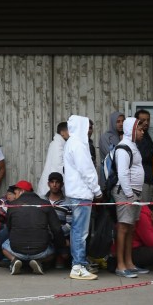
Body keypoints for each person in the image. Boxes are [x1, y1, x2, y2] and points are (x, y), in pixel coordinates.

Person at [63, 115, 103, 280]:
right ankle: (78, 266)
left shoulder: (72, 143)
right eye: (87, 126)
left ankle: (80, 264)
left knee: (77, 230)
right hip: (81, 193)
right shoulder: (78, 145)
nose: (88, 130)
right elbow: (87, 171)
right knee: (80, 232)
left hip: (76, 193)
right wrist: (97, 190)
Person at [2, 181, 65, 276]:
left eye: (15, 193)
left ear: (21, 191)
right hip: (41, 251)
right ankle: (37, 261)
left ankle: (15, 260)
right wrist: (62, 246)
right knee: (53, 250)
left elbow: (9, 228)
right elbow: (56, 229)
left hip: (17, 249)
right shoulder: (45, 204)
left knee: (4, 246)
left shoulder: (12, 206)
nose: (14, 196)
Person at [112, 117, 148, 278]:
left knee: (130, 228)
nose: (142, 132)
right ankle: (120, 265)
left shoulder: (132, 146)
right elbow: (123, 173)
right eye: (139, 130)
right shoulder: (123, 148)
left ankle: (129, 263)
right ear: (132, 130)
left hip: (134, 193)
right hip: (126, 192)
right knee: (123, 228)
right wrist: (129, 195)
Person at [43, 172, 71, 269]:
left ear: (62, 185)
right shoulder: (42, 200)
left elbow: (69, 225)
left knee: (64, 257)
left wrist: (56, 234)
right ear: (48, 184)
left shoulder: (68, 202)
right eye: (52, 182)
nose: (54, 185)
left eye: (57, 182)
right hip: (43, 235)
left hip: (60, 236)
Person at [37, 122, 68, 197]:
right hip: (52, 190)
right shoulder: (58, 145)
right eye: (69, 131)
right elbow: (58, 167)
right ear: (62, 132)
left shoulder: (58, 143)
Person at [135, 109, 153, 204]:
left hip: (150, 179)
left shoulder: (147, 136)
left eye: (148, 120)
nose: (146, 123)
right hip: (143, 180)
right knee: (144, 210)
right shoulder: (136, 138)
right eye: (143, 120)